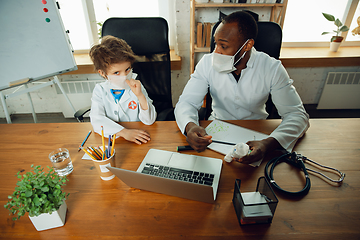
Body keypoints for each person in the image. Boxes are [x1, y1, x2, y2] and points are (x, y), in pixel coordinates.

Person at [175, 11, 309, 165]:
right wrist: (190, 126)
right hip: (216, 134)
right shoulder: (206, 63)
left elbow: (298, 115)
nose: (216, 51)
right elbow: (186, 103)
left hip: (257, 134)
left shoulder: (272, 68)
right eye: (216, 43)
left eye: (223, 46)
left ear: (247, 45)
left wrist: (268, 144)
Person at [89, 35, 157, 145]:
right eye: (116, 73)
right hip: (112, 140)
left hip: (138, 138)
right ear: (103, 73)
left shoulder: (137, 86)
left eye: (127, 69)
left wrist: (140, 96)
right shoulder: (100, 90)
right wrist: (124, 133)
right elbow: (97, 120)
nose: (125, 76)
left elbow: (149, 120)